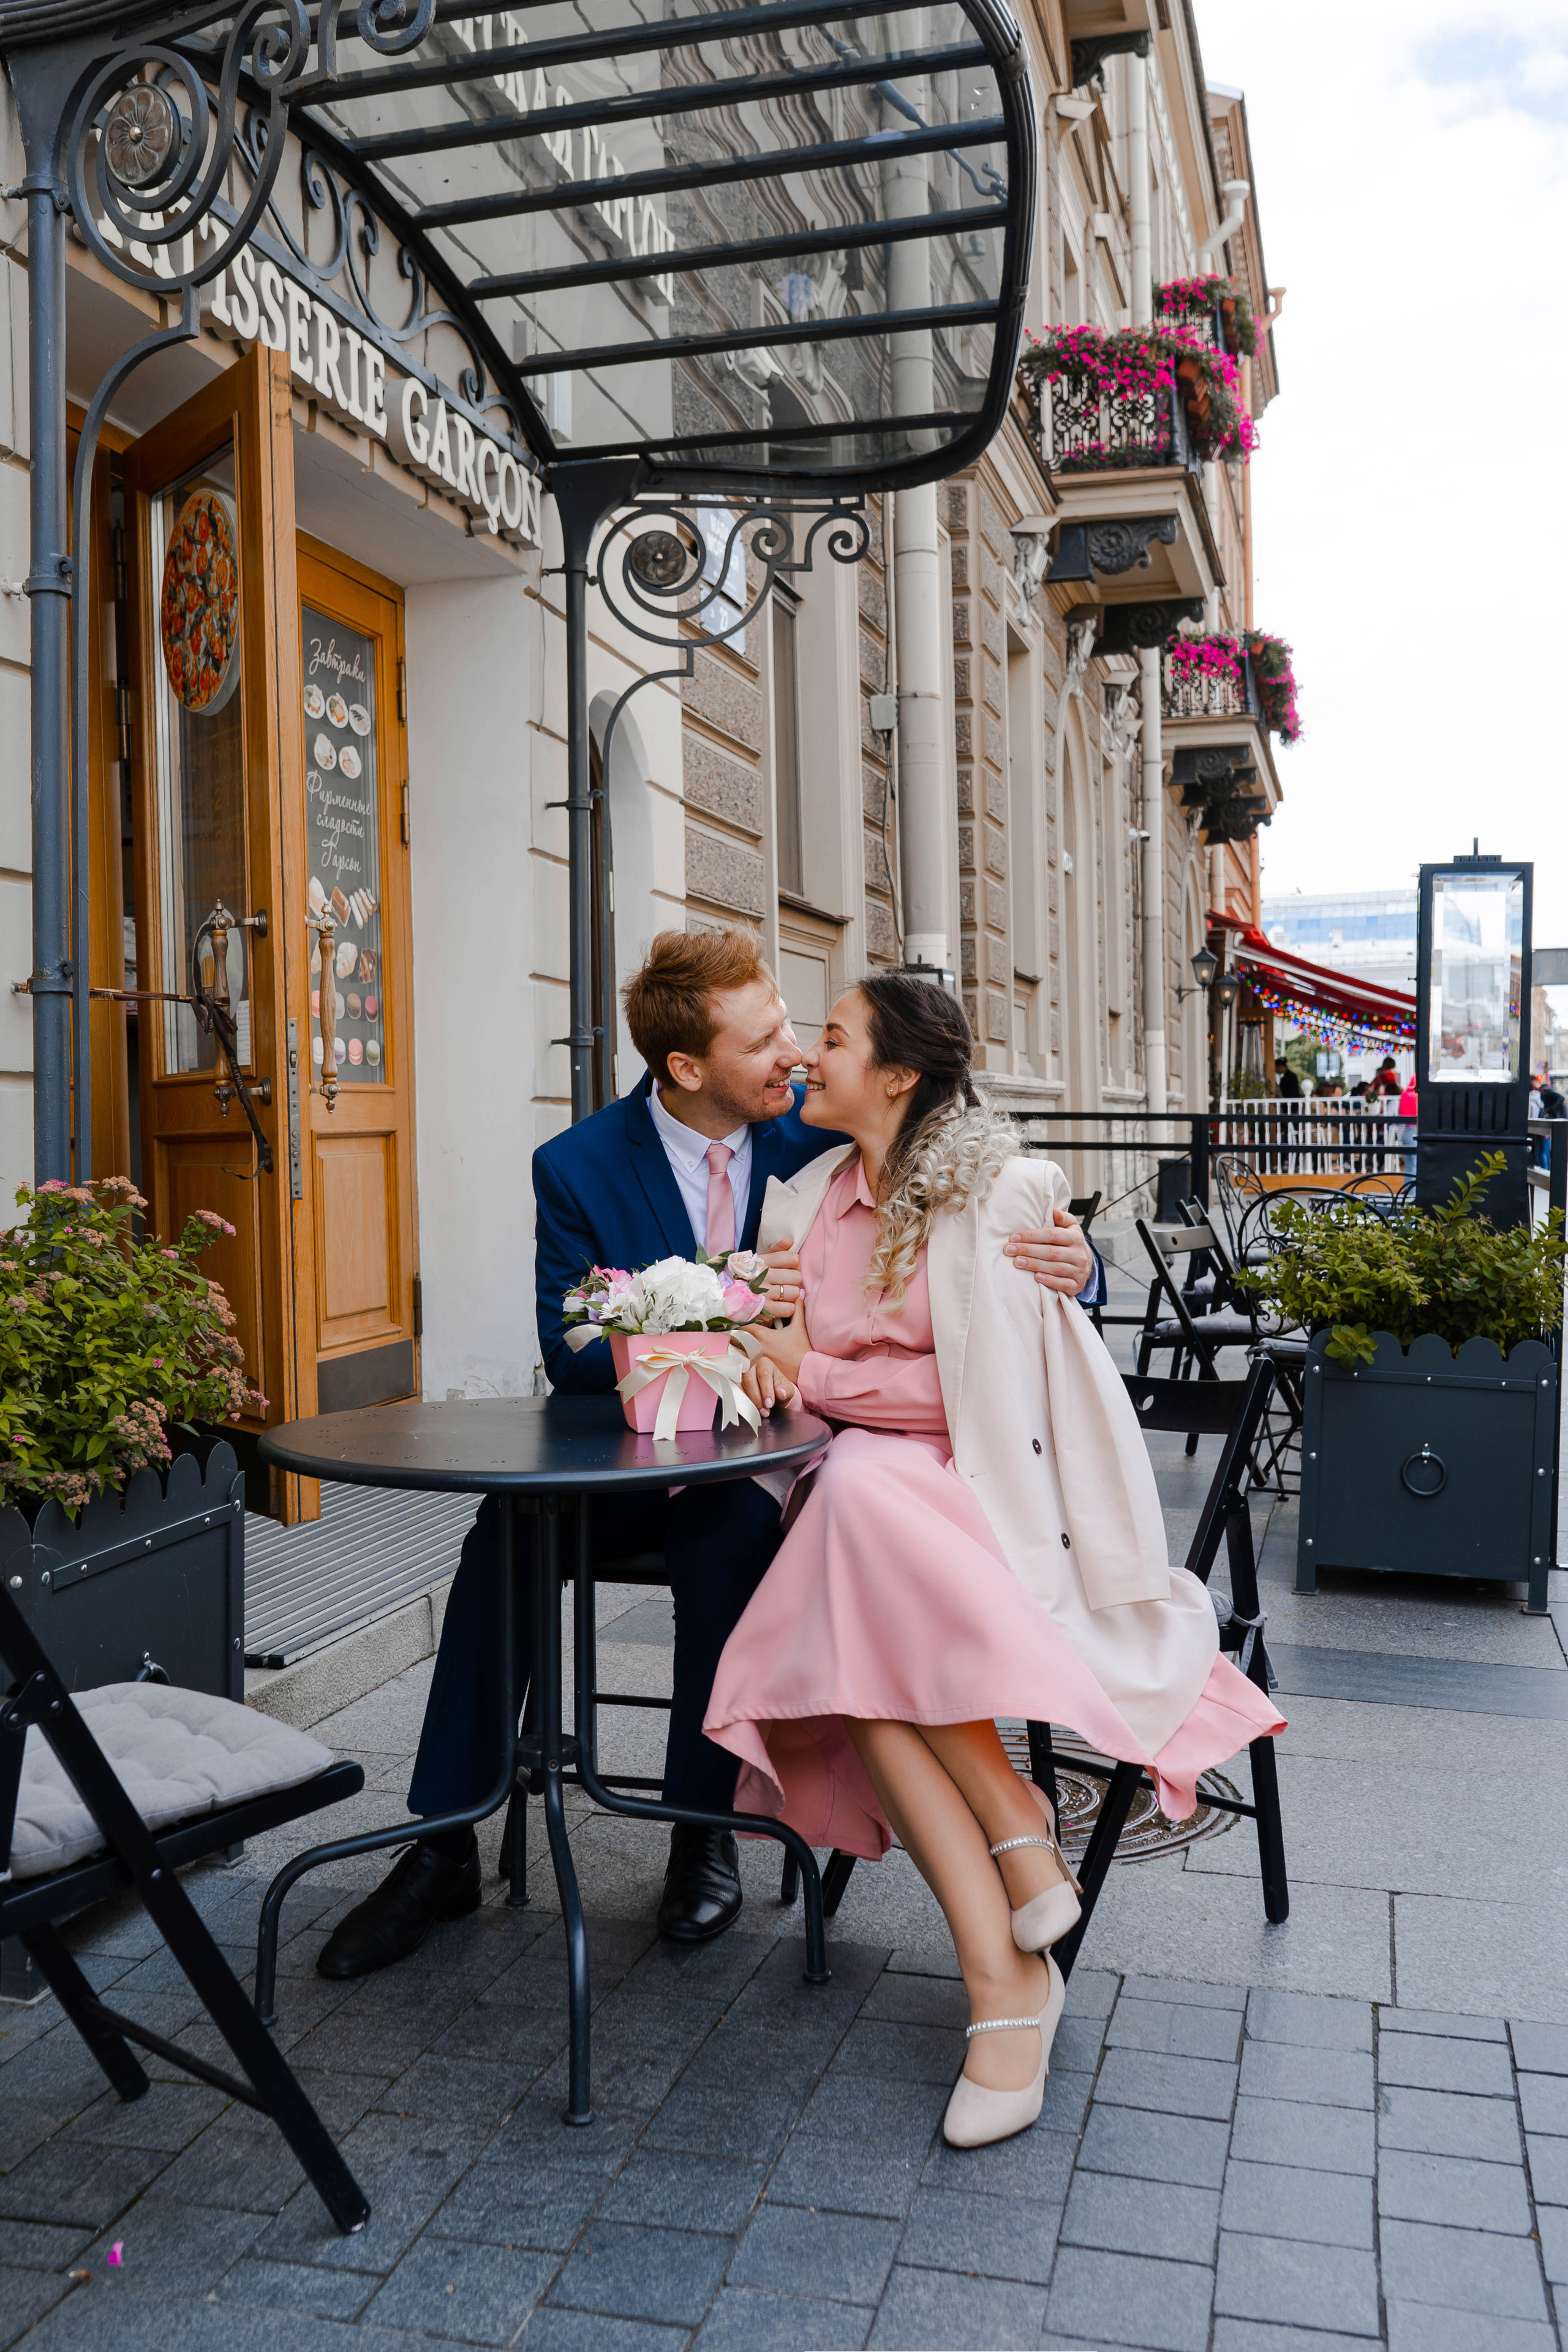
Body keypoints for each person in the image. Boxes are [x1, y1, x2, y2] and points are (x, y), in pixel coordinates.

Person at [317, 931, 1098, 1979]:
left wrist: (1077, 1267)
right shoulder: (578, 1166)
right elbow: (573, 1351)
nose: (795, 1056)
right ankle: (443, 1841)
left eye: (794, 1028)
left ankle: (702, 1830)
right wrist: (707, 1323)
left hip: (771, 1475)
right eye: (767, 1038)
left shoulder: (818, 1141)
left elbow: (972, 1216)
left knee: (726, 1540)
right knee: (505, 1532)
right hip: (636, 1457)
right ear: (687, 1069)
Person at [704, 975, 1284, 2149]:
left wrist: (825, 1380)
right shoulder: (799, 1199)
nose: (811, 1058)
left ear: (900, 1074)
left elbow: (979, 1389)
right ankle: (1005, 1920)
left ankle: (1015, 1912)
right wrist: (791, 1362)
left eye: (833, 1039)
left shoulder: (1003, 1186)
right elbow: (774, 1365)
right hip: (861, 1506)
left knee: (854, 1563)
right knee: (855, 1524)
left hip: (979, 1499)